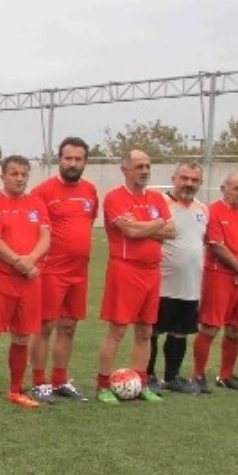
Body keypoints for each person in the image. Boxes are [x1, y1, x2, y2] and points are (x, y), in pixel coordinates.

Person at [95, 150, 174, 404]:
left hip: (152, 270)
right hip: (125, 269)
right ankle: (103, 385)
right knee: (117, 330)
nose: (145, 170)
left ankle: (141, 383)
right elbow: (129, 231)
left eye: (148, 165)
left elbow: (172, 231)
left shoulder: (156, 198)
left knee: (145, 331)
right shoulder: (115, 197)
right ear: (125, 169)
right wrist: (156, 224)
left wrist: (146, 226)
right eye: (139, 165)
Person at [0, 156, 51, 408]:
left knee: (22, 337)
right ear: (3, 176)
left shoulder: (37, 203)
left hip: (29, 281)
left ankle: (16, 390)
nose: (19, 179)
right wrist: (20, 262)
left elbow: (45, 237)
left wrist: (31, 261)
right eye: (14, 174)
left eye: (23, 174)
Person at [28, 137, 98, 402]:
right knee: (45, 327)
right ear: (59, 160)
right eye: (68, 158)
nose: (72, 163)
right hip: (51, 270)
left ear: (85, 162)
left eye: (78, 159)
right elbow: (34, 230)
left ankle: (59, 380)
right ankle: (38, 382)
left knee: (69, 326)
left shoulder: (90, 191)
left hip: (79, 271)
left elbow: (87, 223)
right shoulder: (44, 191)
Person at [191, 171, 238, 391]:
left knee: (236, 329)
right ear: (224, 188)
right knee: (210, 327)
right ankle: (198, 375)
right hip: (219, 277)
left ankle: (226, 375)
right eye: (237, 188)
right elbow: (217, 246)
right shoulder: (214, 212)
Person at [146, 162, 207, 392]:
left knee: (180, 331)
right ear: (174, 178)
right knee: (152, 330)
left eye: (194, 180)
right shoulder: (160, 204)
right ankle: (148, 375)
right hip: (161, 281)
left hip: (190, 283)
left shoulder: (203, 209)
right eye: (184, 178)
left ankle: (172, 378)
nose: (188, 184)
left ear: (200, 183)